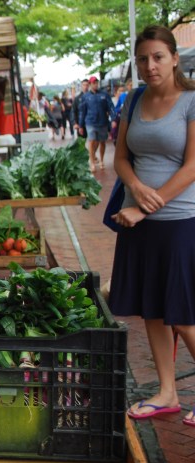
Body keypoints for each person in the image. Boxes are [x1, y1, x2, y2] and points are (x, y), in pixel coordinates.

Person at [109, 25, 195, 427]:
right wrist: (137, 188)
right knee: (153, 311)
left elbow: (192, 167)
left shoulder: (191, 101)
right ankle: (167, 392)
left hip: (178, 222)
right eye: (142, 58)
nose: (150, 65)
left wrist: (146, 207)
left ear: (174, 58)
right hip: (136, 220)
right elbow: (120, 158)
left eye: (158, 56)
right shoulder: (134, 99)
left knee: (183, 314)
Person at [79, 76, 114, 172]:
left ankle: (102, 160)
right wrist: (80, 125)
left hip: (102, 122)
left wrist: (113, 119)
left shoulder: (104, 95)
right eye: (94, 83)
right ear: (90, 84)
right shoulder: (85, 97)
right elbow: (82, 111)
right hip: (90, 122)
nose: (95, 85)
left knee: (102, 142)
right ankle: (92, 163)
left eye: (96, 83)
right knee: (91, 141)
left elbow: (110, 107)